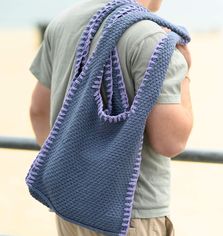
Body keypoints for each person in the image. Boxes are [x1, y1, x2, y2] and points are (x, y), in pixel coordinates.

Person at [29, 0, 193, 235]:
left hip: (70, 208)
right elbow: (171, 142)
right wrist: (185, 76)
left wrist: (75, 170)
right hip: (130, 215)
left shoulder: (64, 22)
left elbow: (38, 111)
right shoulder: (155, 40)